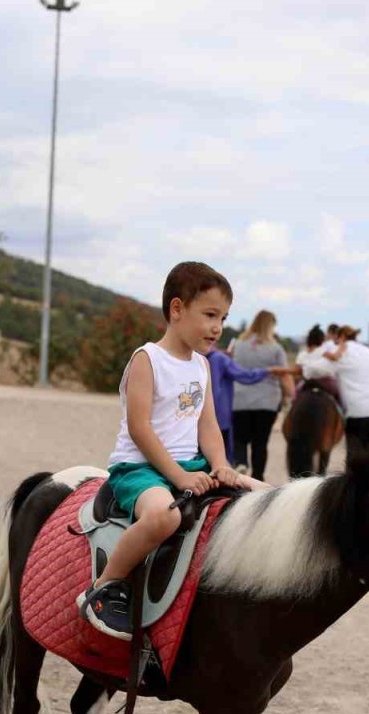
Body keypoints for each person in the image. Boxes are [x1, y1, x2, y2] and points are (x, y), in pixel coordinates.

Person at [79, 261, 268, 640]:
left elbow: (208, 425)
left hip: (191, 462)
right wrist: (179, 476)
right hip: (140, 468)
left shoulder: (202, 365)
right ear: (177, 309)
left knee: (266, 496)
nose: (218, 327)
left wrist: (220, 464)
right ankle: (104, 586)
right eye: (210, 315)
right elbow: (140, 427)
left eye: (224, 317)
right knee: (162, 518)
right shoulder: (147, 359)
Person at [230, 310, 291, 481]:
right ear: (270, 326)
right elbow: (284, 374)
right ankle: (257, 478)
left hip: (240, 399)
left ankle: (241, 462)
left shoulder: (238, 344)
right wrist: (289, 395)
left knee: (240, 438)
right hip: (267, 401)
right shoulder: (276, 348)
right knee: (260, 442)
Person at [206, 346, 288, 455]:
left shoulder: (193, 357)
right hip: (220, 419)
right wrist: (268, 370)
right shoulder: (219, 359)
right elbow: (246, 375)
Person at [326, 325, 369, 454]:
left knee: (355, 465)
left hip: (359, 413)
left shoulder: (337, 349)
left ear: (341, 337)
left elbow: (322, 368)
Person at [293, 324, 340, 401]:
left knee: (295, 395)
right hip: (326, 382)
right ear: (322, 339)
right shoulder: (323, 350)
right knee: (338, 396)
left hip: (308, 381)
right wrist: (342, 349)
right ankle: (340, 410)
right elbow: (334, 358)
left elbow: (296, 370)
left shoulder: (302, 353)